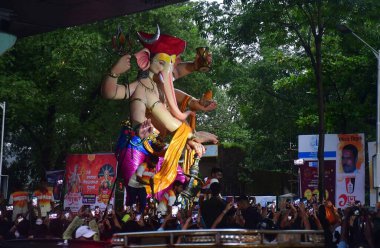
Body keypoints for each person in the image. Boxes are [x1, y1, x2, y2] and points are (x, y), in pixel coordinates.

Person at [101, 27, 218, 196]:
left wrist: (194, 104)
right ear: (145, 61)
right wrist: (114, 72)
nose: (169, 72)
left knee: (176, 181)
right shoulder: (143, 89)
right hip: (136, 147)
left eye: (171, 65)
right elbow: (110, 92)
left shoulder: (159, 87)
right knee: (140, 194)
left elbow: (174, 82)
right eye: (162, 63)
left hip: (155, 147)